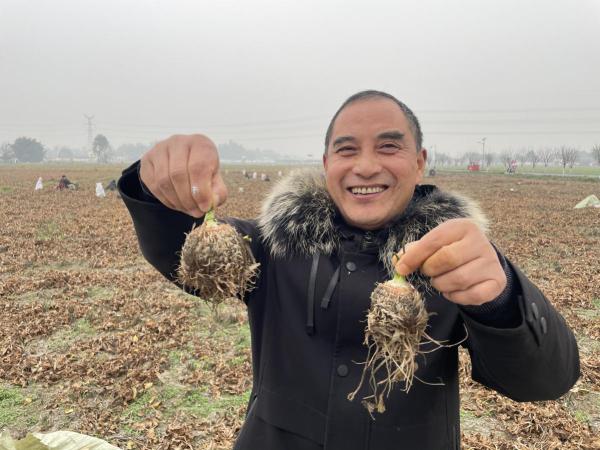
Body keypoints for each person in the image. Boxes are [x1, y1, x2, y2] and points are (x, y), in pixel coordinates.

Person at [118, 90, 579, 450]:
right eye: (346, 150)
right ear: (326, 164)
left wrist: (501, 300)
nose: (364, 165)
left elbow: (544, 381)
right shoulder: (275, 244)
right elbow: (176, 246)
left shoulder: (456, 260)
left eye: (388, 147)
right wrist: (155, 183)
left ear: (420, 163)